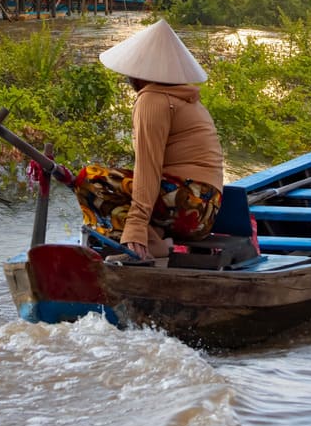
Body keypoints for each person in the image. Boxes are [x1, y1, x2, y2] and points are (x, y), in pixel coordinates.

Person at [77, 19, 224, 260]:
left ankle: (147, 244)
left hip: (189, 206)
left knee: (90, 178)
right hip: (205, 211)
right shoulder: (183, 98)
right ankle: (157, 236)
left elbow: (148, 167)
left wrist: (136, 225)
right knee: (125, 180)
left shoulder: (152, 100)